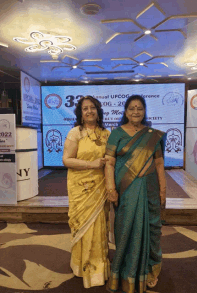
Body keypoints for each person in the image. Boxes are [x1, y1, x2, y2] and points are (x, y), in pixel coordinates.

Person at [104, 95, 167, 293]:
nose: (135, 112)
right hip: (126, 191)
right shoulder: (116, 134)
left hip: (149, 189)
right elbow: (110, 163)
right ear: (125, 112)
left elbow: (158, 164)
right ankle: (125, 272)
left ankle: (150, 270)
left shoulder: (152, 135)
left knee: (152, 230)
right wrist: (111, 189)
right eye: (131, 108)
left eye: (139, 108)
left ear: (144, 111)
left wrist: (163, 190)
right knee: (126, 230)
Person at [62, 95, 110, 288]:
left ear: (98, 111)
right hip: (80, 188)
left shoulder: (106, 133)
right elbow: (66, 160)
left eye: (92, 108)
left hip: (100, 188)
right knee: (84, 227)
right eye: (85, 108)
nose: (89, 111)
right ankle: (82, 266)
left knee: (99, 227)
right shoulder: (76, 133)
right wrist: (91, 164)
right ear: (80, 114)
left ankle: (98, 268)